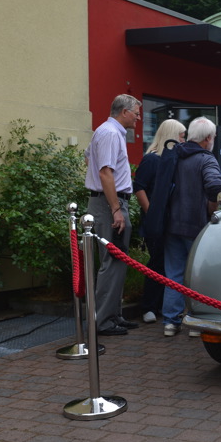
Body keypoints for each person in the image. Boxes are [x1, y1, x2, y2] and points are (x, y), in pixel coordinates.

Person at [162, 117, 221, 337]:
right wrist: (212, 207)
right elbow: (215, 185)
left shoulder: (174, 155)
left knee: (173, 274)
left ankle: (170, 322)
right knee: (199, 275)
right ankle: (196, 321)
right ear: (208, 138)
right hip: (196, 225)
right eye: (213, 137)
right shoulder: (206, 159)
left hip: (171, 224)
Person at [85, 94, 141, 336]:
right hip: (110, 204)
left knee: (117, 262)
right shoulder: (109, 132)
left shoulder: (109, 131)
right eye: (136, 113)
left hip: (109, 202)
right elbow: (105, 173)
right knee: (112, 261)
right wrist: (116, 208)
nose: (139, 117)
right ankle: (104, 321)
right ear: (125, 112)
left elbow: (89, 156)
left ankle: (113, 315)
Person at [133, 119, 186, 324]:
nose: (184, 140)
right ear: (171, 135)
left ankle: (161, 306)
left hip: (167, 220)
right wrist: (152, 213)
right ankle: (149, 306)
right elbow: (139, 188)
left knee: (166, 263)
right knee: (157, 262)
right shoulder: (152, 159)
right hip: (156, 222)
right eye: (181, 136)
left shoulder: (171, 159)